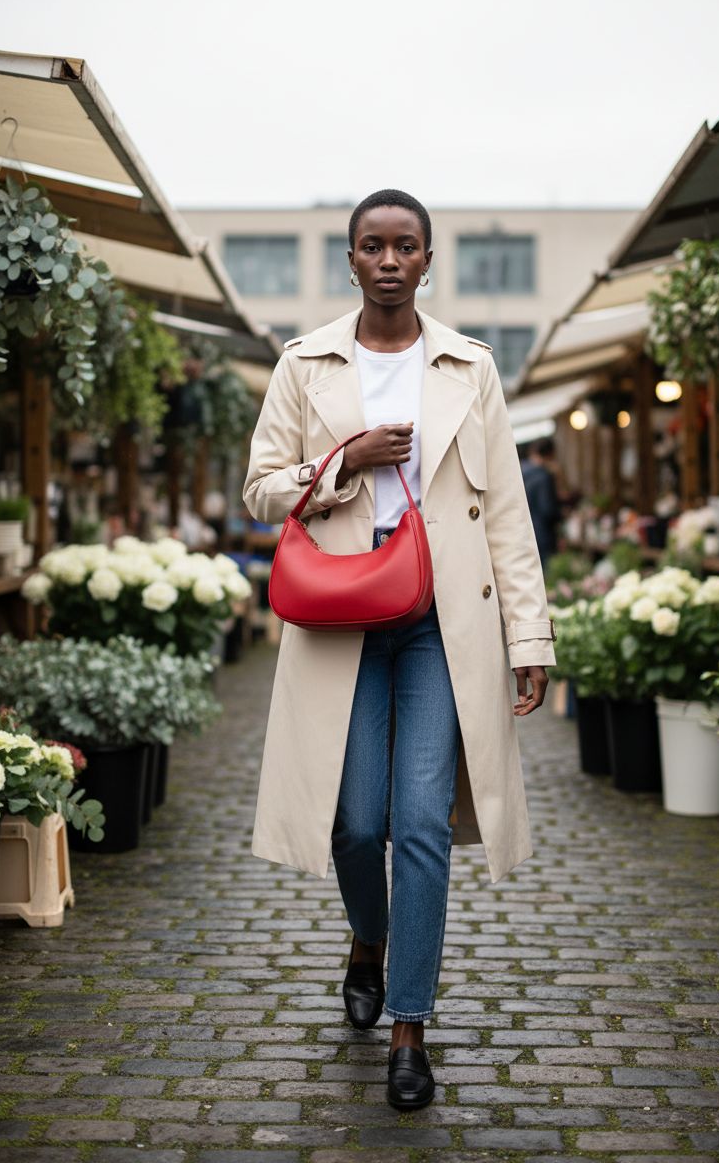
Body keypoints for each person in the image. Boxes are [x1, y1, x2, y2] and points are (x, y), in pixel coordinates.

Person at [243, 189, 556, 1111]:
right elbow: (261, 488)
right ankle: (368, 943)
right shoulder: (305, 364)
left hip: (440, 621)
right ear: (351, 261)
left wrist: (527, 635)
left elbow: (506, 511)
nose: (388, 259)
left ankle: (410, 1029)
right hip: (342, 614)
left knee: (421, 823)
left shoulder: (470, 367)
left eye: (405, 246)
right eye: (372, 246)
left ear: (427, 260)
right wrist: (344, 460)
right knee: (353, 823)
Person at [519, 438, 561, 569]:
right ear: (550, 454)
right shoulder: (543, 476)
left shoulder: (519, 471)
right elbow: (548, 509)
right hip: (542, 534)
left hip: (521, 532)